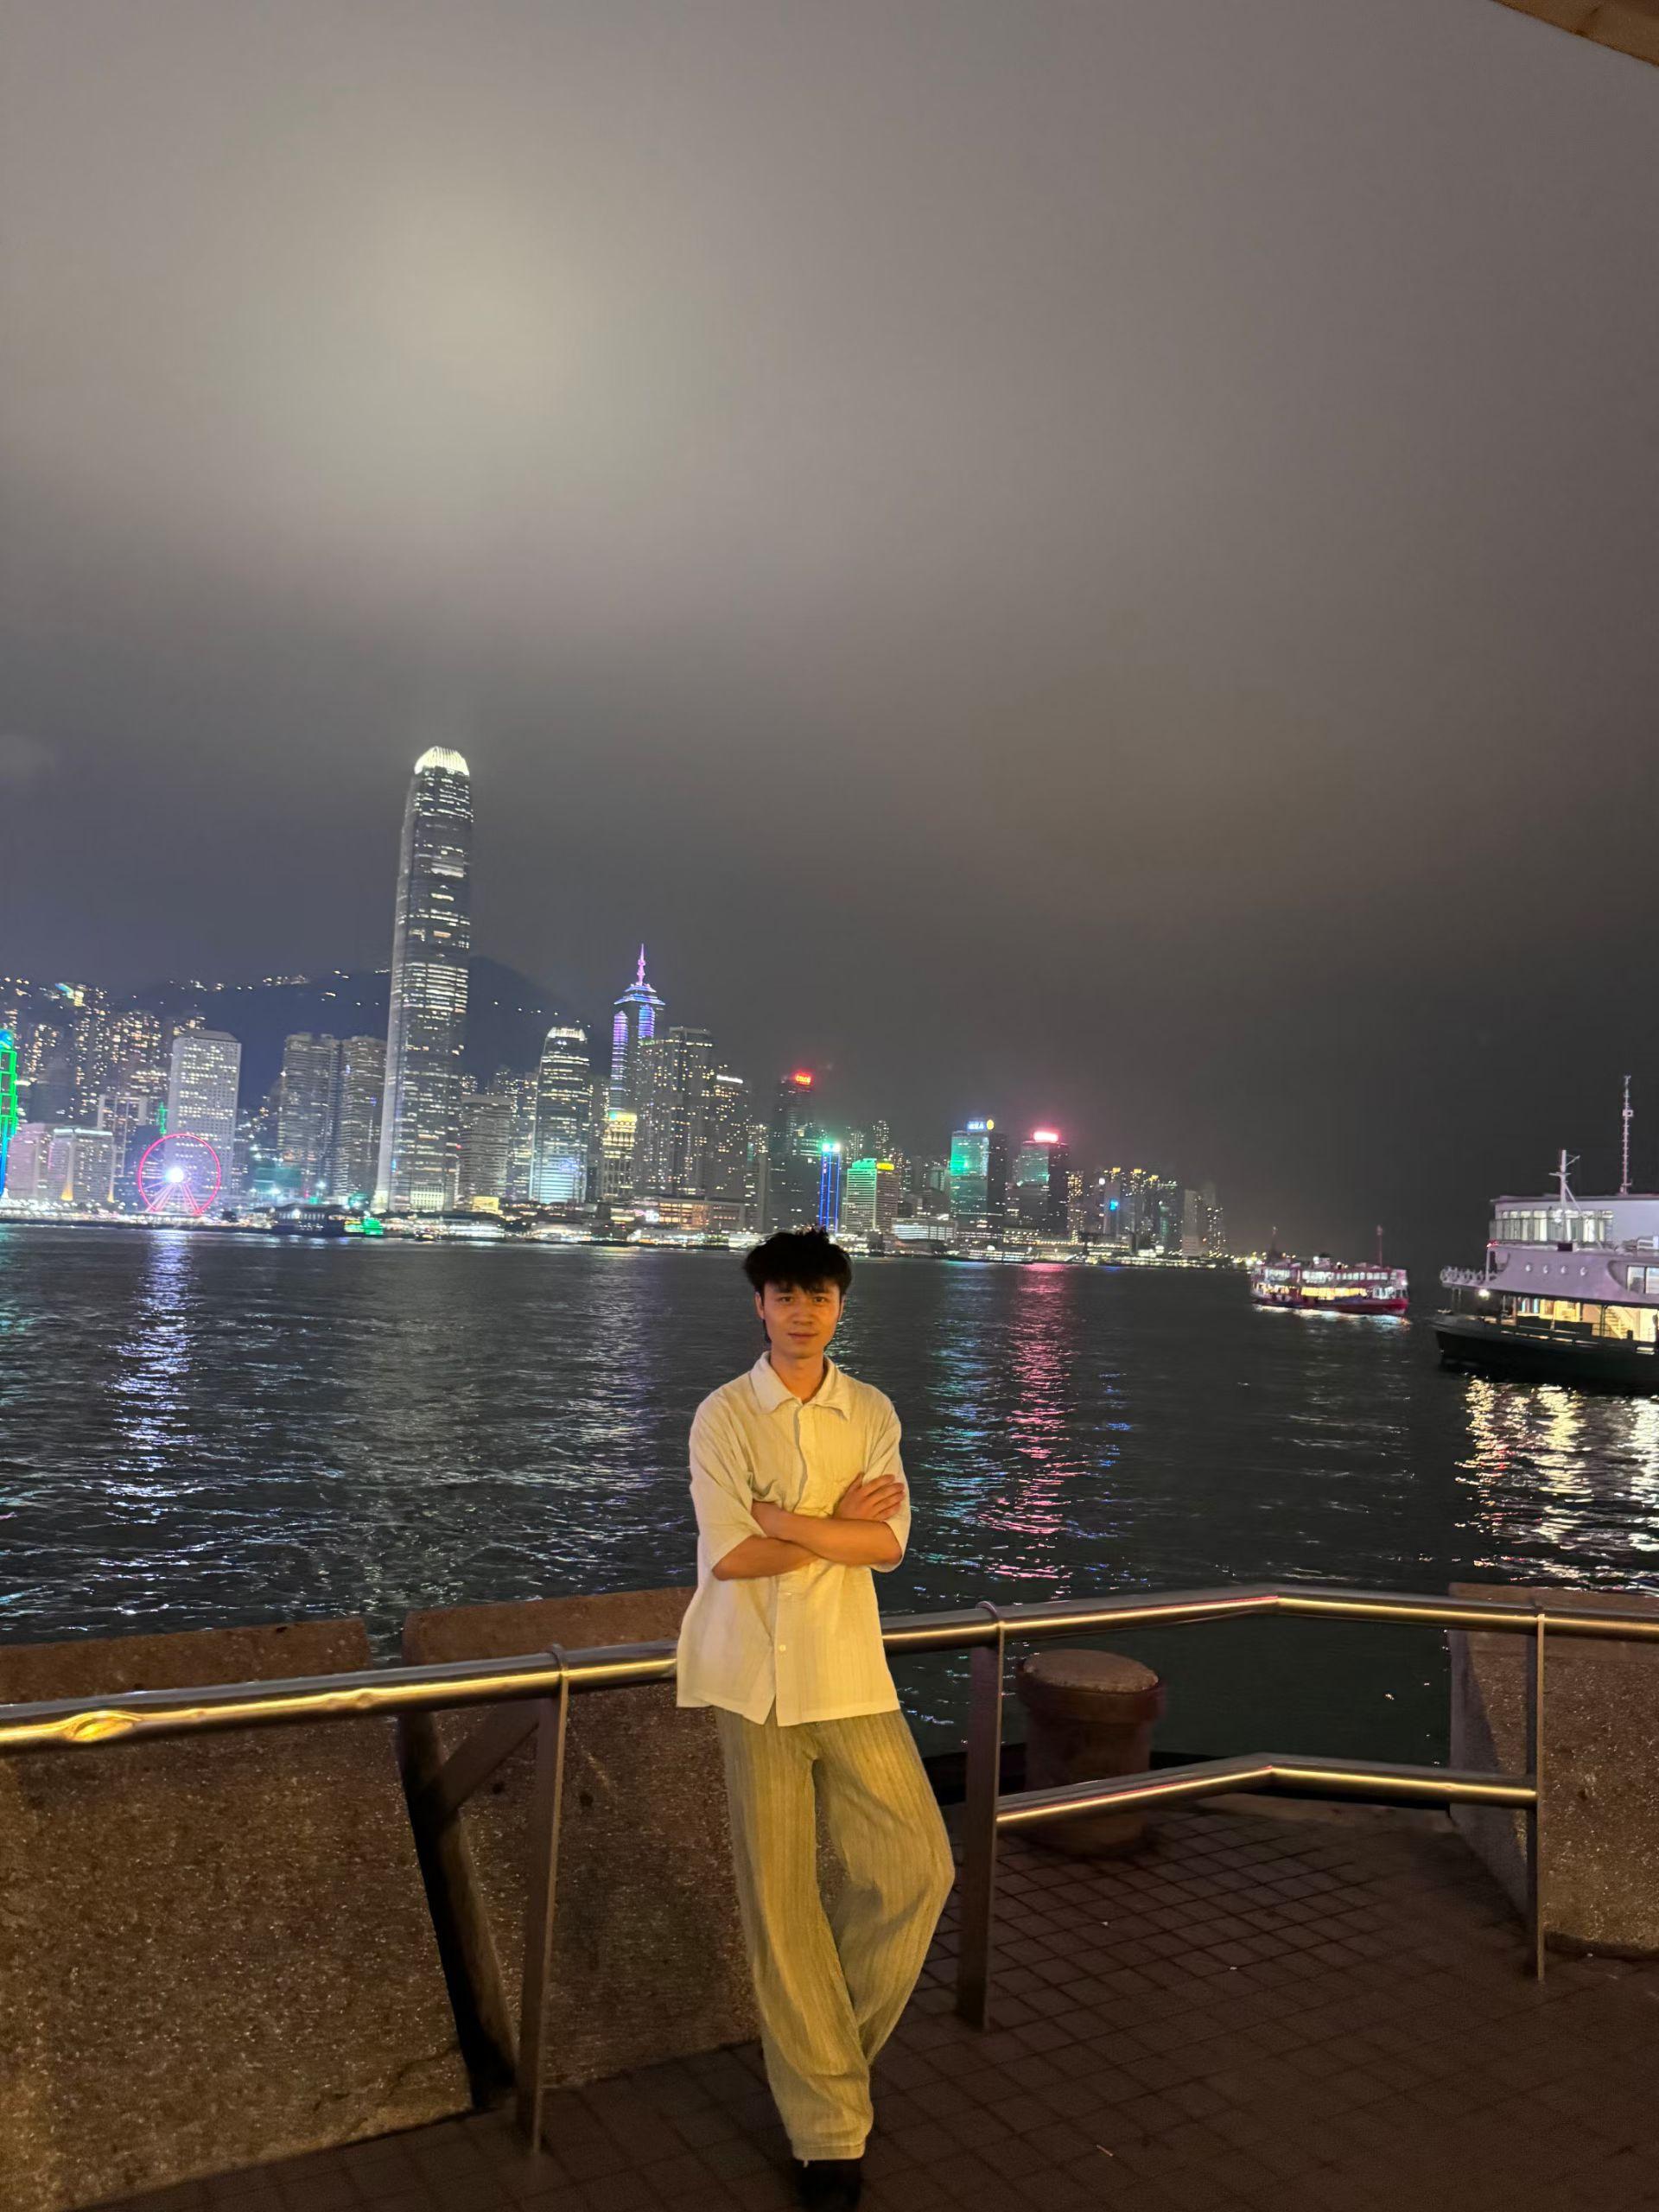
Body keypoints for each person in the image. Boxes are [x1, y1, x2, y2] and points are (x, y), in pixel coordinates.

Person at [676, 1229, 956, 2212]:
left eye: (820, 1296)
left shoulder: (868, 1410)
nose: (804, 1312)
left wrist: (790, 1521)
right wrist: (835, 1525)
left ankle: (824, 2063)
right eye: (786, 1295)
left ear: (841, 1306)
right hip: (750, 1677)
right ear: (760, 1305)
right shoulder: (724, 1415)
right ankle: (827, 2131)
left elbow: (887, 1544)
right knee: (781, 1903)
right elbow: (730, 1558)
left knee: (919, 1867)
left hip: (848, 1671)